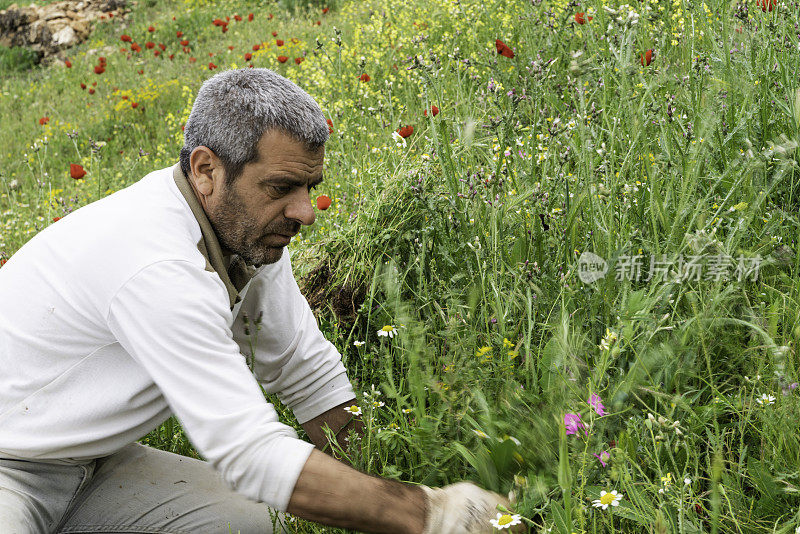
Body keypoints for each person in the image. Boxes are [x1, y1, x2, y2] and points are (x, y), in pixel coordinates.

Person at [0, 68, 521, 534]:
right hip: (9, 470)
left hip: (93, 461)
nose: (305, 211)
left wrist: (382, 480)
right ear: (206, 170)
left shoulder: (244, 234)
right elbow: (247, 452)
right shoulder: (154, 262)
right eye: (282, 187)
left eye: (310, 186)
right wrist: (431, 515)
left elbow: (304, 371)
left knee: (253, 521)